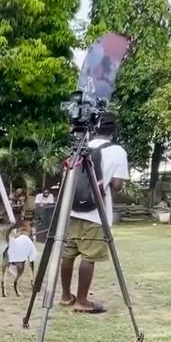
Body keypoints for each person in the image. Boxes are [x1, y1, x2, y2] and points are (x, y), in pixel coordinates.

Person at [60, 112, 128, 314]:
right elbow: (116, 185)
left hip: (71, 210)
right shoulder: (118, 152)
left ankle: (65, 296)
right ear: (113, 131)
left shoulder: (81, 147)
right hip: (95, 212)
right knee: (88, 257)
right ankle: (82, 300)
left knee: (68, 253)